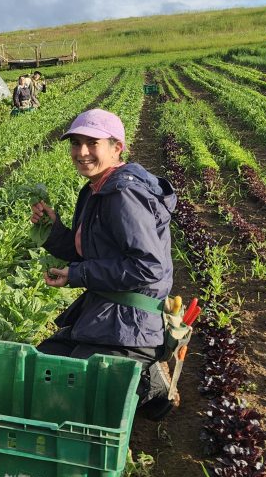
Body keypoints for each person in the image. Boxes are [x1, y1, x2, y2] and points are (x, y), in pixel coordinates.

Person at [29, 108, 179, 420]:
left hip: (130, 322)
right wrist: (53, 231)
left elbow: (146, 267)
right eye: (76, 143)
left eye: (92, 143)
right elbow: (92, 252)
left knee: (72, 394)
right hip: (105, 311)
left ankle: (148, 381)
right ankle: (142, 376)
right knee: (42, 363)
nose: (81, 152)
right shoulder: (97, 188)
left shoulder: (123, 193)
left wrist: (77, 274)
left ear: (116, 147)